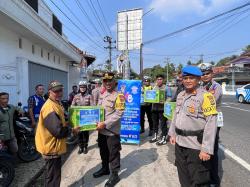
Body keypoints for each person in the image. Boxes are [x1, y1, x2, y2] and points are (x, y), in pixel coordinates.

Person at [168, 66, 218, 187]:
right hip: (180, 143)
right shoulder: (181, 95)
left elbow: (211, 122)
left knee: (199, 180)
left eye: (192, 78)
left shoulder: (206, 96)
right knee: (183, 177)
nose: (188, 81)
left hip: (195, 145)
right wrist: (172, 133)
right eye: (186, 78)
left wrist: (206, 149)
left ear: (198, 79)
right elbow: (176, 115)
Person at [35, 81, 80, 187]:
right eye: (56, 91)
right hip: (50, 147)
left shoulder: (55, 102)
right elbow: (58, 131)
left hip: (52, 145)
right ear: (50, 91)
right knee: (53, 176)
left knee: (52, 174)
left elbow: (58, 121)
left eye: (60, 90)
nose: (59, 93)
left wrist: (68, 122)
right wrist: (72, 130)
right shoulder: (49, 107)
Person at [93, 72, 125, 187]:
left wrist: (105, 124)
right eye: (105, 81)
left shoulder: (119, 96)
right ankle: (105, 168)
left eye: (109, 80)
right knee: (103, 151)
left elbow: (119, 113)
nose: (107, 83)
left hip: (112, 131)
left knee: (113, 153)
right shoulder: (102, 94)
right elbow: (98, 110)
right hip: (101, 131)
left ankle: (115, 174)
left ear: (114, 81)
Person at [199, 63, 223, 187]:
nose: (205, 76)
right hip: (202, 121)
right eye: (202, 74)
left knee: (212, 150)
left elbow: (210, 102)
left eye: (207, 73)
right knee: (202, 147)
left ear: (212, 73)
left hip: (213, 121)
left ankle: (214, 180)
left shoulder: (216, 86)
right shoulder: (200, 86)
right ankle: (205, 176)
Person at [71, 80, 93, 154]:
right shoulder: (76, 96)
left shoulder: (90, 96)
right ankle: (80, 147)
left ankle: (85, 146)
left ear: (86, 87)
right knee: (79, 133)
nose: (82, 88)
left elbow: (93, 107)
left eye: (84, 87)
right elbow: (72, 106)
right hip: (78, 119)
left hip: (87, 118)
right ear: (79, 88)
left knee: (86, 133)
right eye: (81, 87)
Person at [149, 74, 169, 145]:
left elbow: (170, 97)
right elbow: (151, 96)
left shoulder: (166, 88)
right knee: (155, 123)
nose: (159, 80)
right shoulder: (154, 87)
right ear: (156, 80)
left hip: (162, 109)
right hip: (154, 109)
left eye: (160, 79)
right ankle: (155, 136)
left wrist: (165, 102)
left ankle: (164, 138)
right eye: (158, 79)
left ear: (163, 80)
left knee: (163, 124)